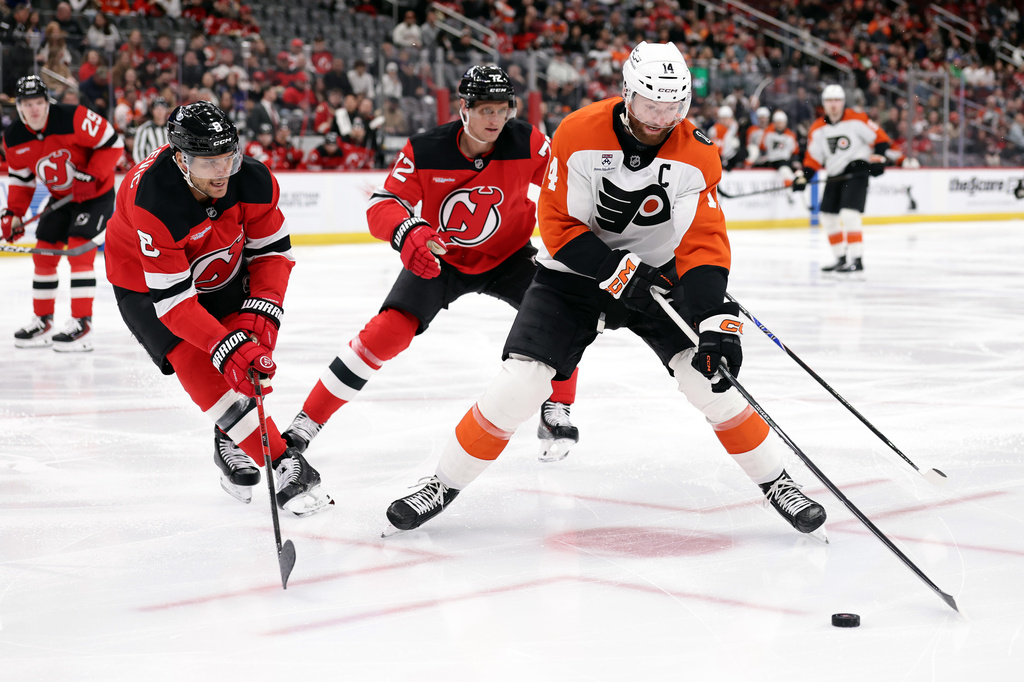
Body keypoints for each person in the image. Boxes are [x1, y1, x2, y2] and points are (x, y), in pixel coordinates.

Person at [383, 42, 827, 538]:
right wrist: (618, 271)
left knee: (710, 381)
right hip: (572, 276)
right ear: (628, 95)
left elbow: (702, 240)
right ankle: (441, 483)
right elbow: (558, 225)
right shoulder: (578, 132)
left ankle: (778, 482)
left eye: (673, 108)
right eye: (651, 106)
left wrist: (712, 317)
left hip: (657, 276)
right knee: (522, 384)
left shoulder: (697, 152)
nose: (661, 120)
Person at [280, 65, 581, 463]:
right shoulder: (425, 149)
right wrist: (410, 233)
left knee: (562, 312)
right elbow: (382, 205)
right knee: (387, 332)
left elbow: (569, 186)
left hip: (508, 256)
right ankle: (307, 420)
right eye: (486, 110)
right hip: (440, 259)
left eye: (502, 109)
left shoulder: (527, 141)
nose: (496, 119)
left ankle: (557, 407)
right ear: (464, 108)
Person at [103, 101, 332, 516]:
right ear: (181, 159)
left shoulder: (254, 180)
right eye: (209, 162)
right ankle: (285, 462)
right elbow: (175, 304)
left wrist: (262, 313)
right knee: (196, 362)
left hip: (219, 268)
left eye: (228, 156)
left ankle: (230, 434)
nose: (223, 170)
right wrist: (223, 346)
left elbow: (273, 254)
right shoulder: (152, 200)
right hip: (147, 288)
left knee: (250, 348)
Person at [2, 76, 123, 352]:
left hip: (95, 195)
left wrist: (91, 175)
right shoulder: (14, 137)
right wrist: (14, 214)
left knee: (79, 251)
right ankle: (43, 321)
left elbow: (113, 143)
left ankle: (83, 324)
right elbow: (22, 180)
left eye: (38, 102)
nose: (34, 109)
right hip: (61, 198)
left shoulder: (73, 117)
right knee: (43, 253)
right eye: (27, 104)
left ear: (47, 102)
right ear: (19, 107)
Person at [795, 84, 891, 275]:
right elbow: (813, 158)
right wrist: (804, 177)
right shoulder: (817, 128)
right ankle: (840, 258)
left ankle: (856, 259)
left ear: (843, 102)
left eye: (837, 100)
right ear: (824, 104)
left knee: (849, 214)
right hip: (835, 173)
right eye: (829, 101)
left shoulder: (857, 118)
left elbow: (880, 139)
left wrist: (879, 160)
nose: (833, 105)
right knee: (828, 216)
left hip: (857, 171)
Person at [757, 110, 802, 186]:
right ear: (774, 123)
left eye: (781, 123)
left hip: (785, 160)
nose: (779, 125)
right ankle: (790, 183)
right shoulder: (768, 133)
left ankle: (794, 183)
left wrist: (795, 161)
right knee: (784, 168)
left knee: (795, 170)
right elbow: (762, 147)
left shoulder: (790, 136)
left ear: (785, 123)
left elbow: (795, 152)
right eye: (777, 123)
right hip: (772, 160)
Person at [132, 97, 171, 163]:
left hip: (170, 167)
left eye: (162, 108)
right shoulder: (144, 129)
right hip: (151, 167)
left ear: (166, 110)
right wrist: (144, 167)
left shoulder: (171, 129)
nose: (160, 111)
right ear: (152, 111)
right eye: (157, 108)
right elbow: (138, 152)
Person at [709, 105, 740, 170]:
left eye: (727, 118)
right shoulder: (714, 130)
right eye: (723, 118)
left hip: (732, 156)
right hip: (720, 157)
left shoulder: (734, 126)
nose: (726, 121)